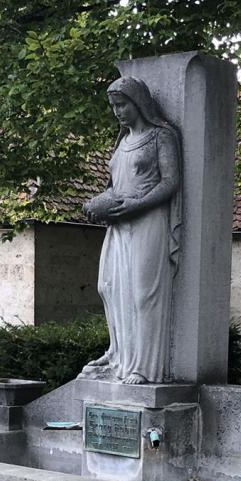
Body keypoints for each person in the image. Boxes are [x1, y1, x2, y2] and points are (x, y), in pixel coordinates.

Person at [81, 76, 182, 384]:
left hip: (148, 222)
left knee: (142, 294)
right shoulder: (122, 141)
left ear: (138, 102)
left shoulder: (161, 136)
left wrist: (136, 205)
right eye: (114, 106)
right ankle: (119, 355)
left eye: (122, 104)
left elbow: (170, 182)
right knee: (109, 287)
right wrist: (98, 204)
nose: (118, 112)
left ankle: (142, 366)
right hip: (119, 224)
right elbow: (115, 185)